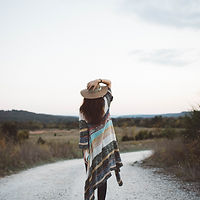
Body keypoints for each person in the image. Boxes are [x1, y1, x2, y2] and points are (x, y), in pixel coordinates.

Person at [79, 78, 123, 200]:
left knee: (93, 177)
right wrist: (98, 80)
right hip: (106, 148)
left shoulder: (82, 111)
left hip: (91, 151)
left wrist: (85, 154)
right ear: (99, 94)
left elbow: (83, 134)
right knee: (103, 178)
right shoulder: (105, 102)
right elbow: (109, 83)